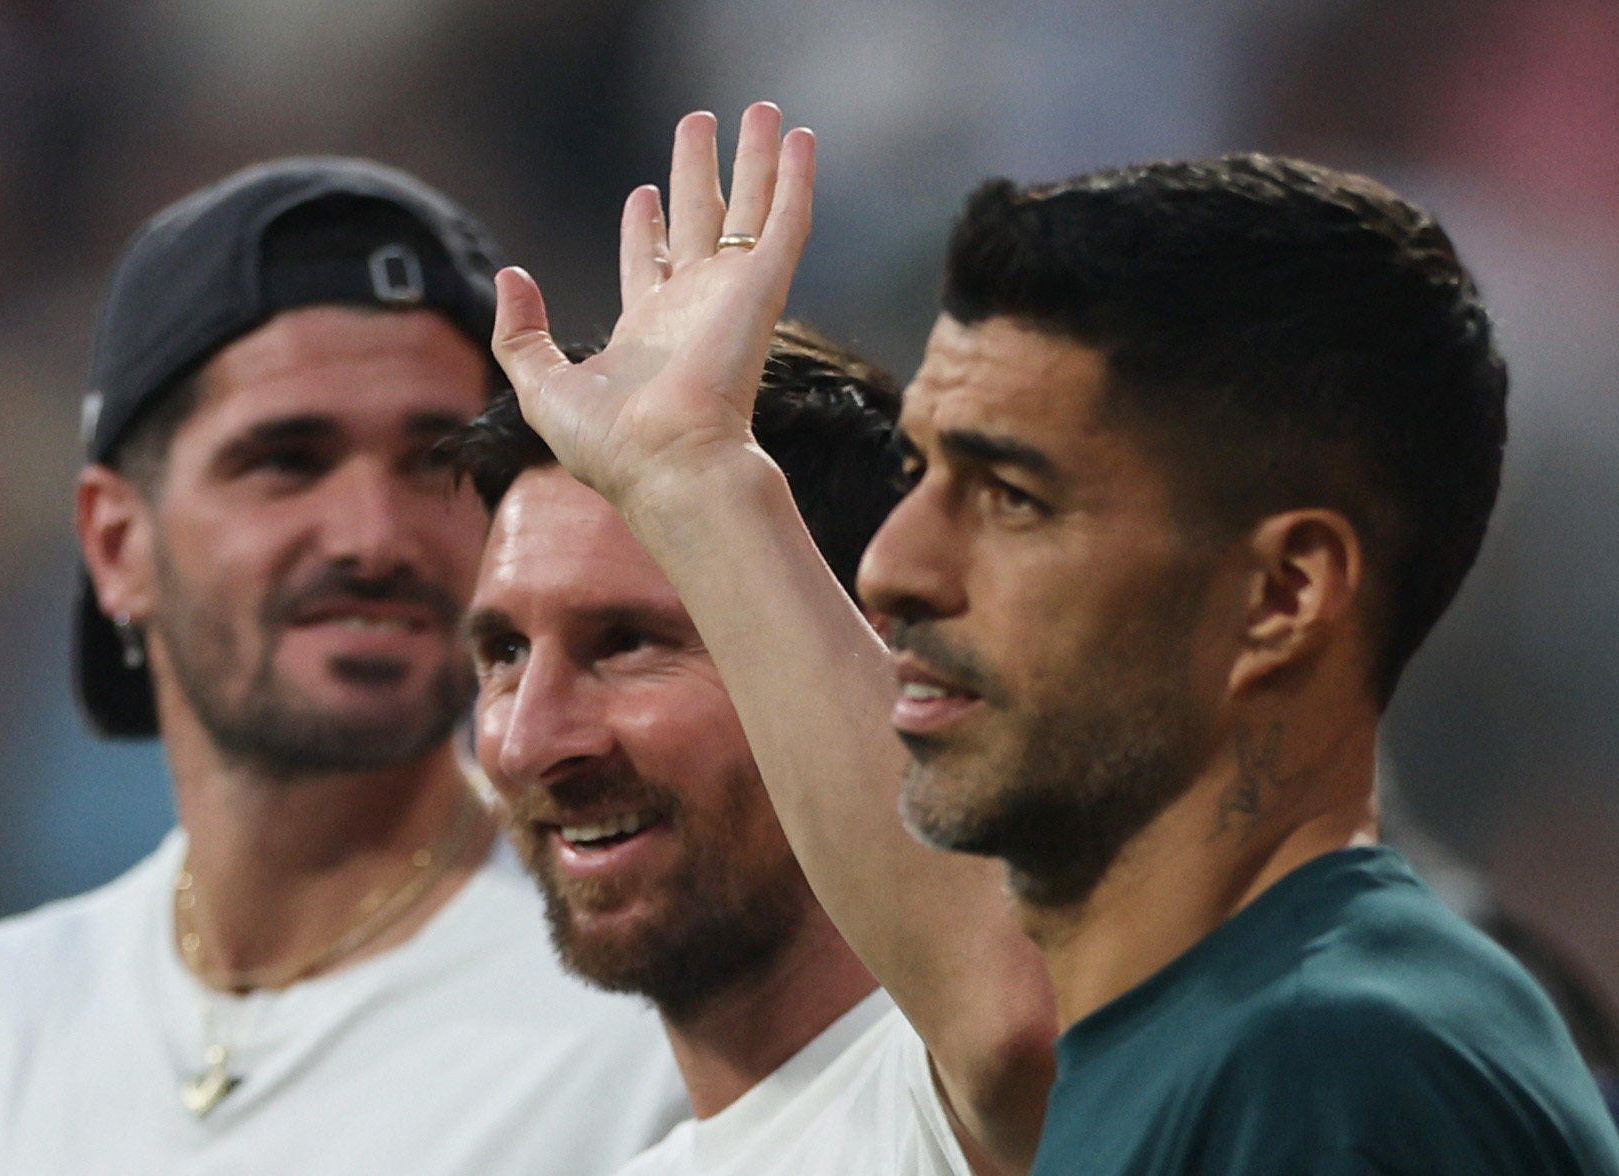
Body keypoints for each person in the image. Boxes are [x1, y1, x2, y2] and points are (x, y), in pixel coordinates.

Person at [489, 103, 1619, 1174]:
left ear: (1281, 594)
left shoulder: (1335, 1046)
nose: (896, 568)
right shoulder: (1252, 1031)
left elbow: (1011, 1038)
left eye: (1015, 498)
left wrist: (697, 477)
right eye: (930, 474)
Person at [0, 157, 687, 1176]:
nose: (372, 534)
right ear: (118, 543)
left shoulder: (662, 1010)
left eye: (438, 461)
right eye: (286, 460)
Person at [454, 321, 1054, 1176]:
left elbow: (1014, 1040)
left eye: (628, 641)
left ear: (896, 662)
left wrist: (701, 474)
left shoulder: (986, 1100)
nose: (528, 741)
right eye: (505, 653)